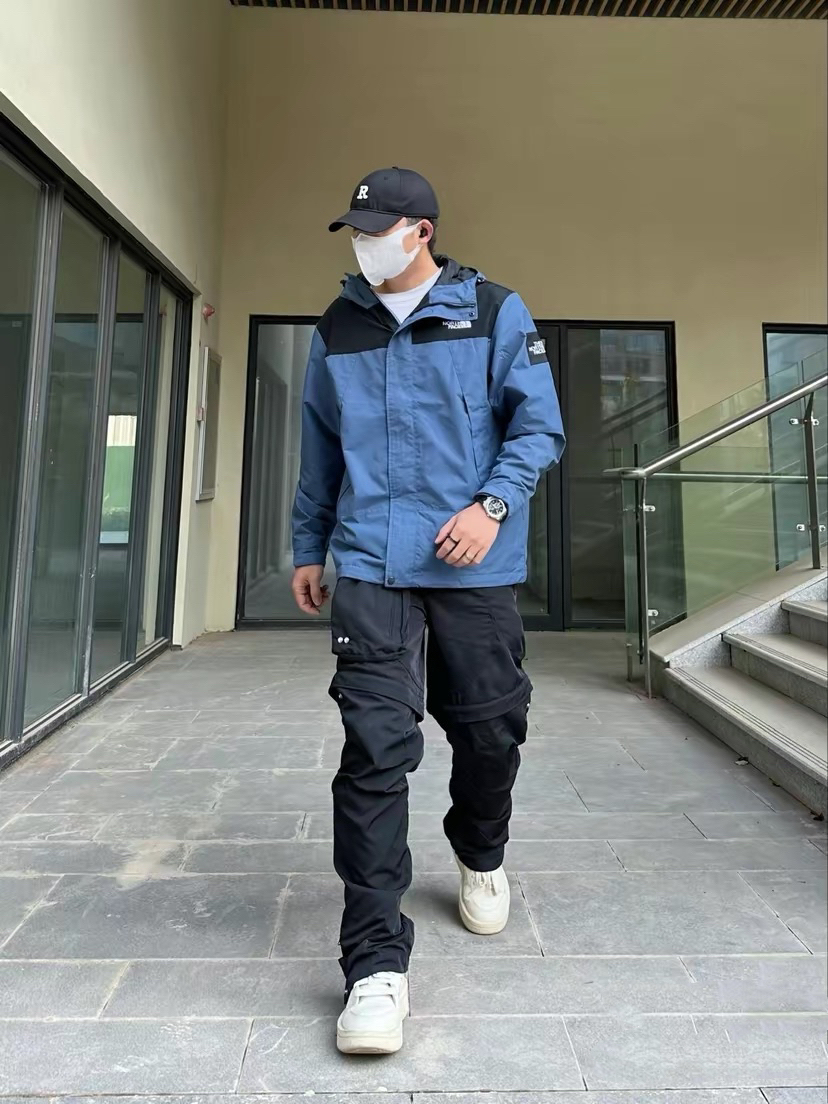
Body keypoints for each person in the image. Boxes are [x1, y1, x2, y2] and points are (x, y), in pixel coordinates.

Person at [291, 167, 565, 1055]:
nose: (364, 244)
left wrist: (491, 507)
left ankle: (480, 850)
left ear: (422, 231)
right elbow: (320, 447)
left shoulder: (493, 311)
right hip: (373, 566)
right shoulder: (338, 327)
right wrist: (308, 546)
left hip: (473, 565)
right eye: (356, 230)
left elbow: (538, 428)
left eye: (378, 229)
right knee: (373, 751)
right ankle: (374, 966)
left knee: (491, 730)